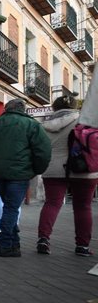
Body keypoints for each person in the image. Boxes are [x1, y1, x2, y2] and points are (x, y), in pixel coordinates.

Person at [0, 98, 51, 257]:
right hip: (20, 174)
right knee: (11, 208)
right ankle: (4, 245)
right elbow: (44, 152)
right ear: (22, 109)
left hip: (0, 174)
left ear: (7, 109)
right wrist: (35, 170)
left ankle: (14, 243)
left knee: (9, 207)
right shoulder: (31, 125)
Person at [37, 95, 98, 257]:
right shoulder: (84, 120)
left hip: (53, 168)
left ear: (54, 108)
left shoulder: (44, 125)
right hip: (83, 168)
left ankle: (43, 239)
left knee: (51, 203)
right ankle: (82, 246)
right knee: (83, 206)